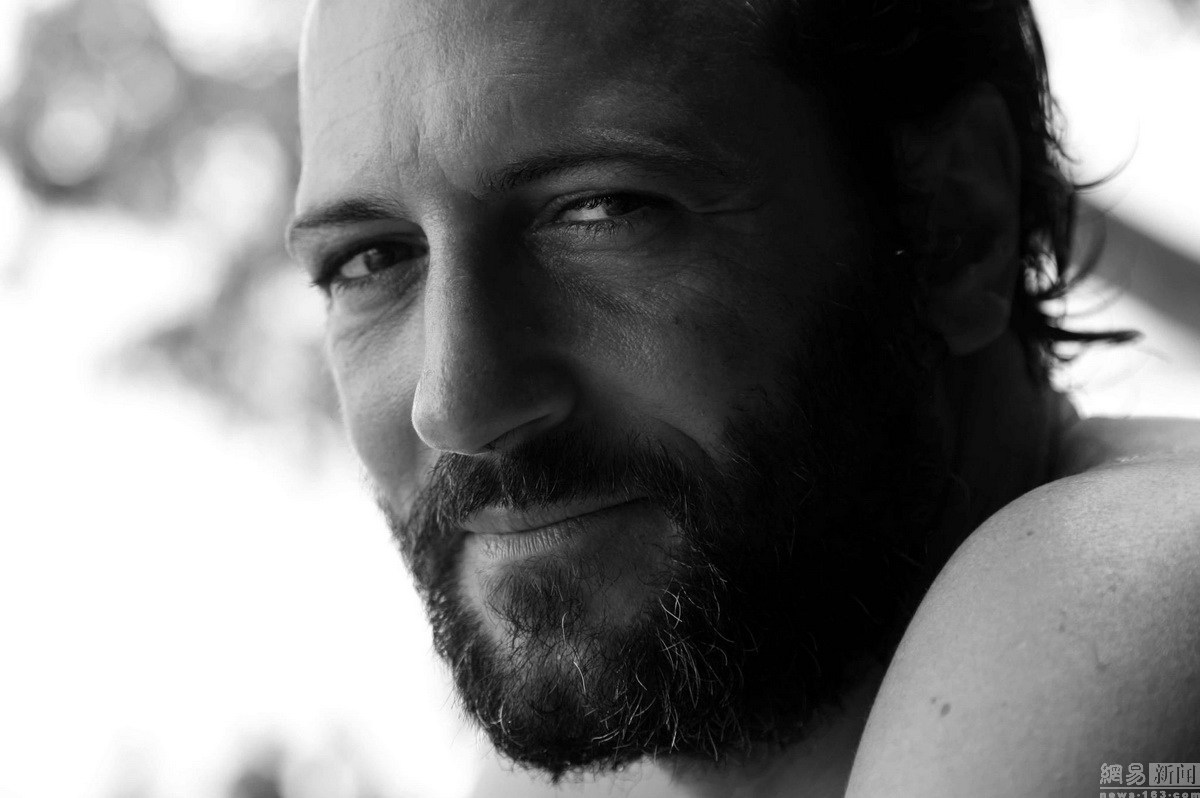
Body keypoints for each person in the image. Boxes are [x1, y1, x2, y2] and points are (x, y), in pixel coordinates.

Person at [285, 0, 1200, 794]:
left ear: (956, 226)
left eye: (604, 208)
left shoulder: (1126, 593)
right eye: (372, 259)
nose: (455, 407)